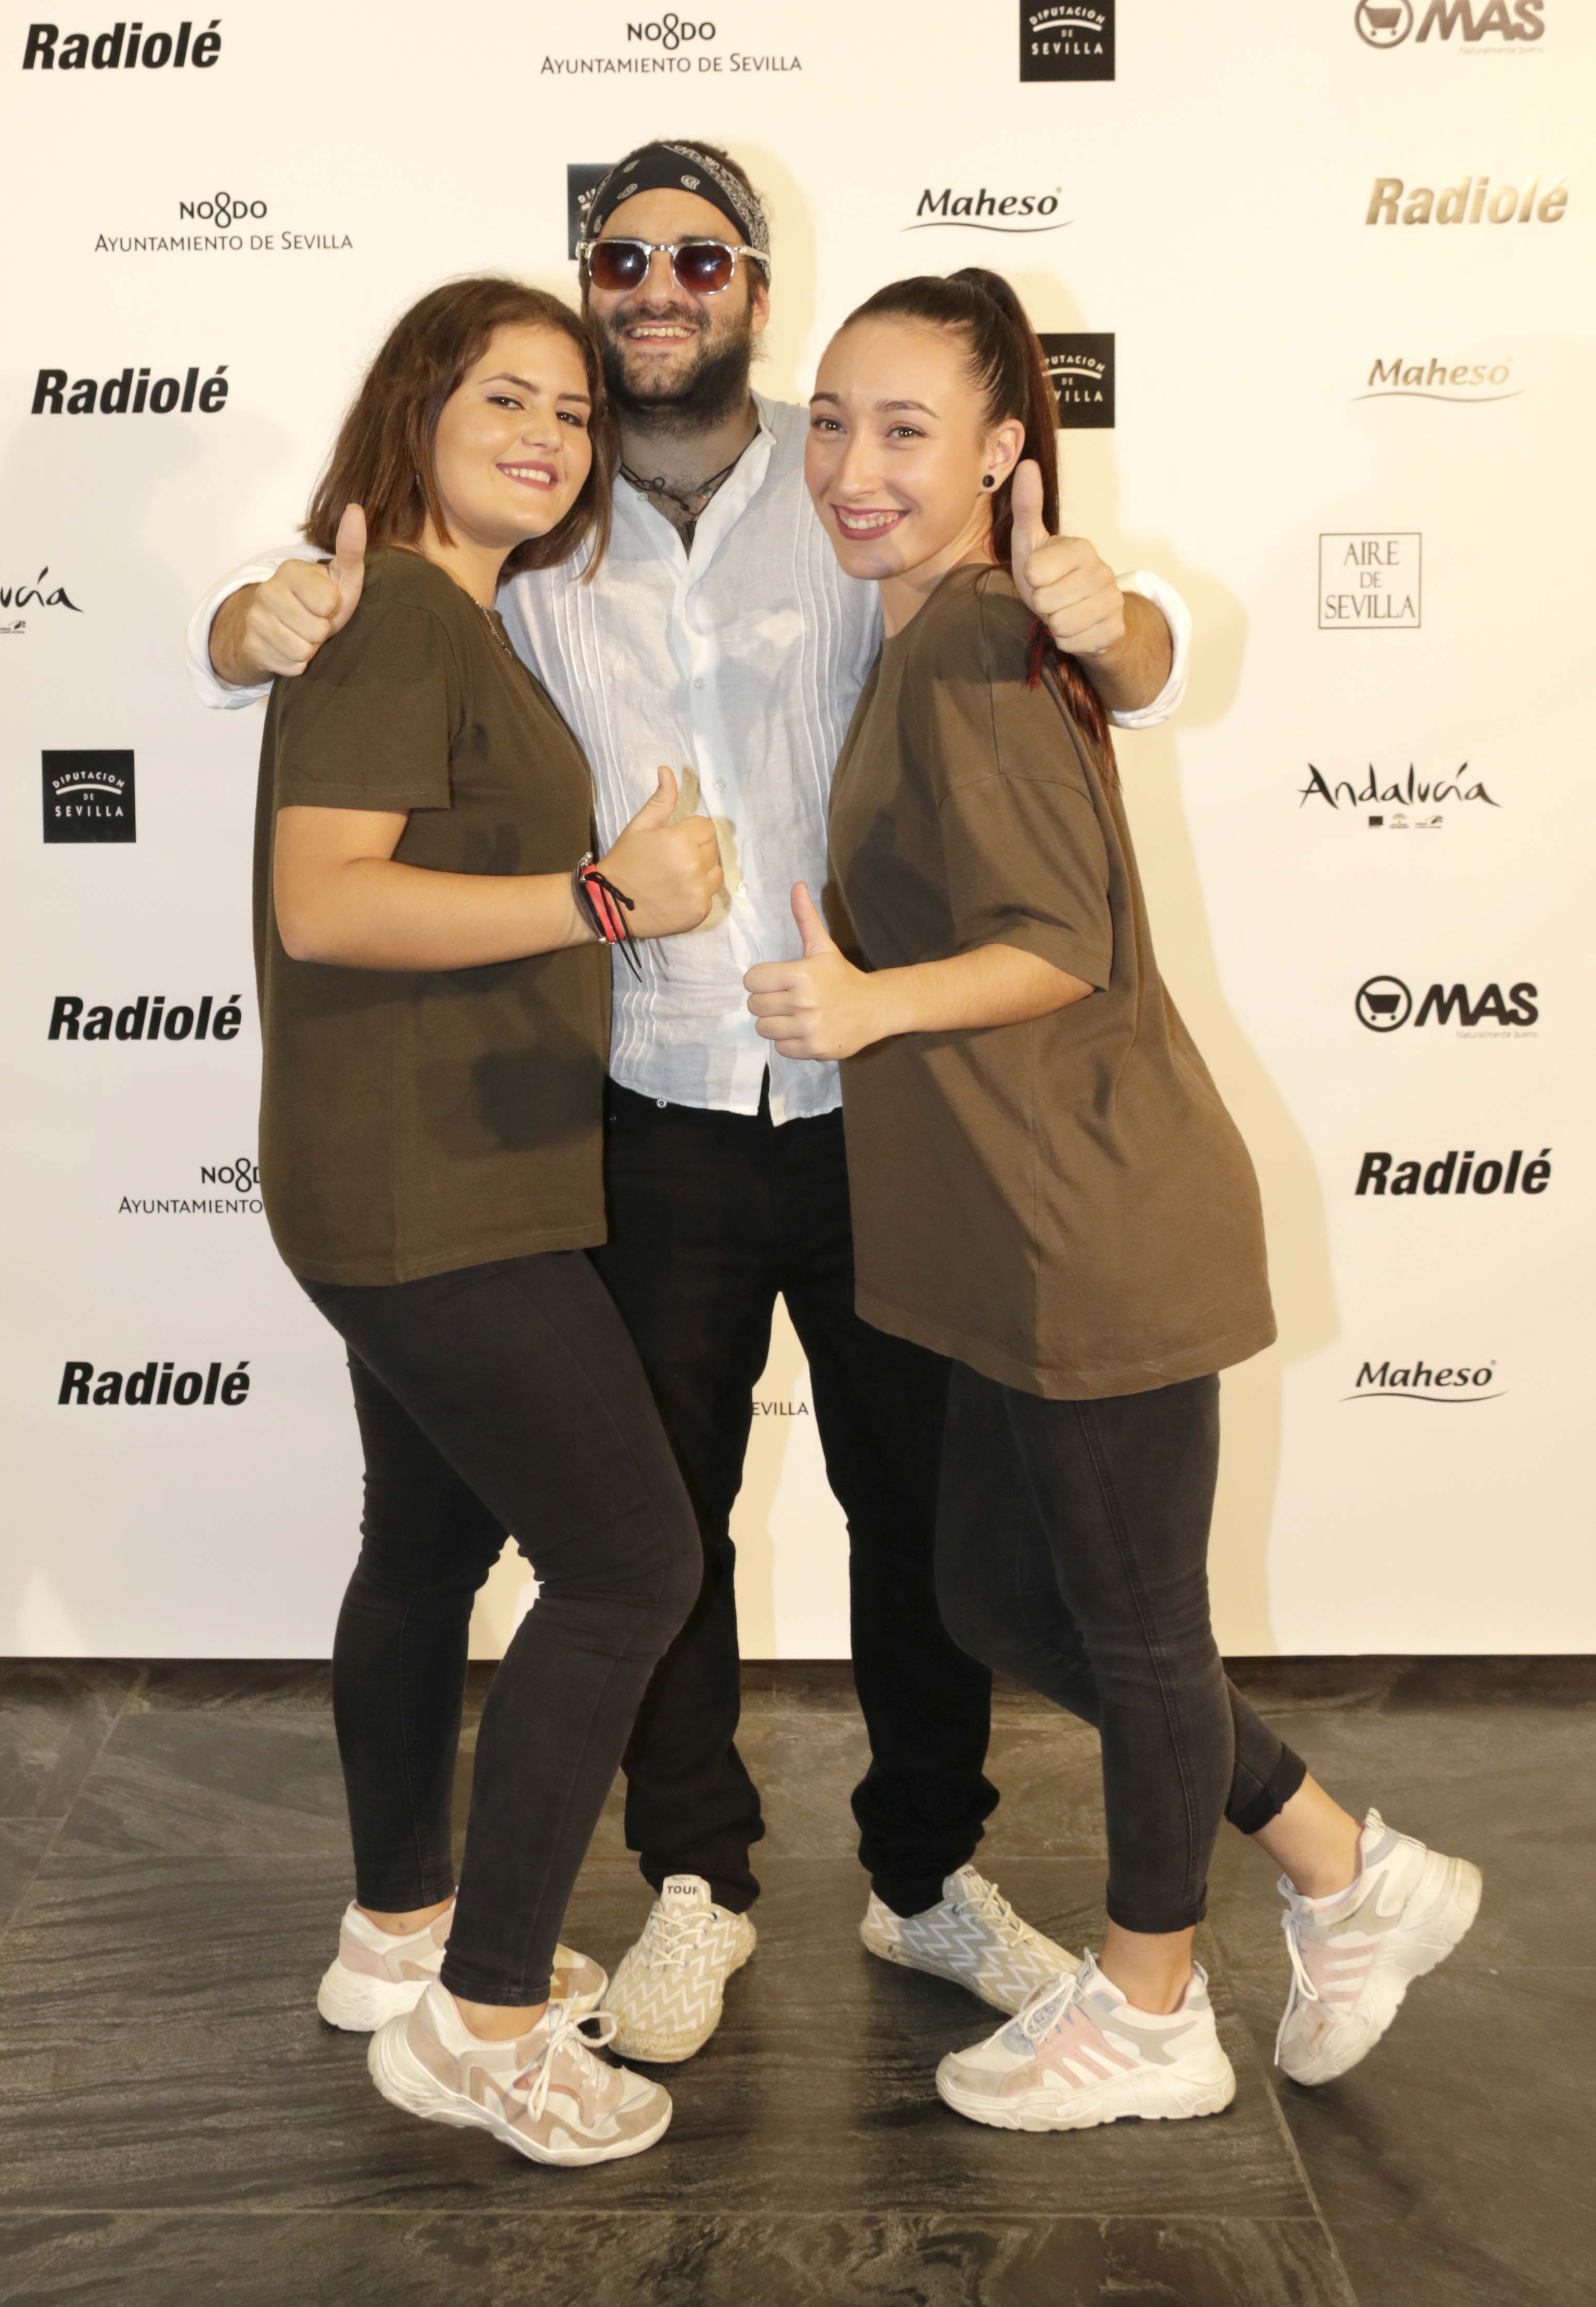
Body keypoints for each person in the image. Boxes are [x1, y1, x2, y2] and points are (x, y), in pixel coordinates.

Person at [190, 139, 1194, 2065]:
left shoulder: (852, 470)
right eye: (624, 259)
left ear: (754, 285)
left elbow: (1129, 661)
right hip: (640, 1101)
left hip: (883, 1096)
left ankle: (925, 1875)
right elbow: (315, 608)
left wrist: (1107, 612)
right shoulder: (528, 508)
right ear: (591, 285)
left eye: (702, 258)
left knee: (918, 1517)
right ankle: (695, 1883)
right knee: (668, 1531)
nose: (659, 289)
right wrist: (244, 622)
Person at [745, 265, 1482, 2131]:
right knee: (1001, 1594)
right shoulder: (932, 634)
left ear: (1004, 451)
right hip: (1009, 1228)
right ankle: (1348, 1871)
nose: (853, 467)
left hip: (1094, 1221)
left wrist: (868, 1006)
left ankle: (1153, 2010)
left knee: (1143, 1637)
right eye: (831, 422)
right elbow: (1136, 664)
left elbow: (1057, 941)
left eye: (906, 430)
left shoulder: (976, 642)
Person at [260, 273, 727, 2165]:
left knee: (430, 1540)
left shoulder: (447, 611)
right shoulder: (397, 618)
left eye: (571, 410)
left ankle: (398, 1932)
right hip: (430, 1189)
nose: (548, 436)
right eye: (504, 399)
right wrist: (604, 901)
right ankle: (487, 2022)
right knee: (630, 1568)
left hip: (426, 1169)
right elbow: (326, 902)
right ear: (418, 412)